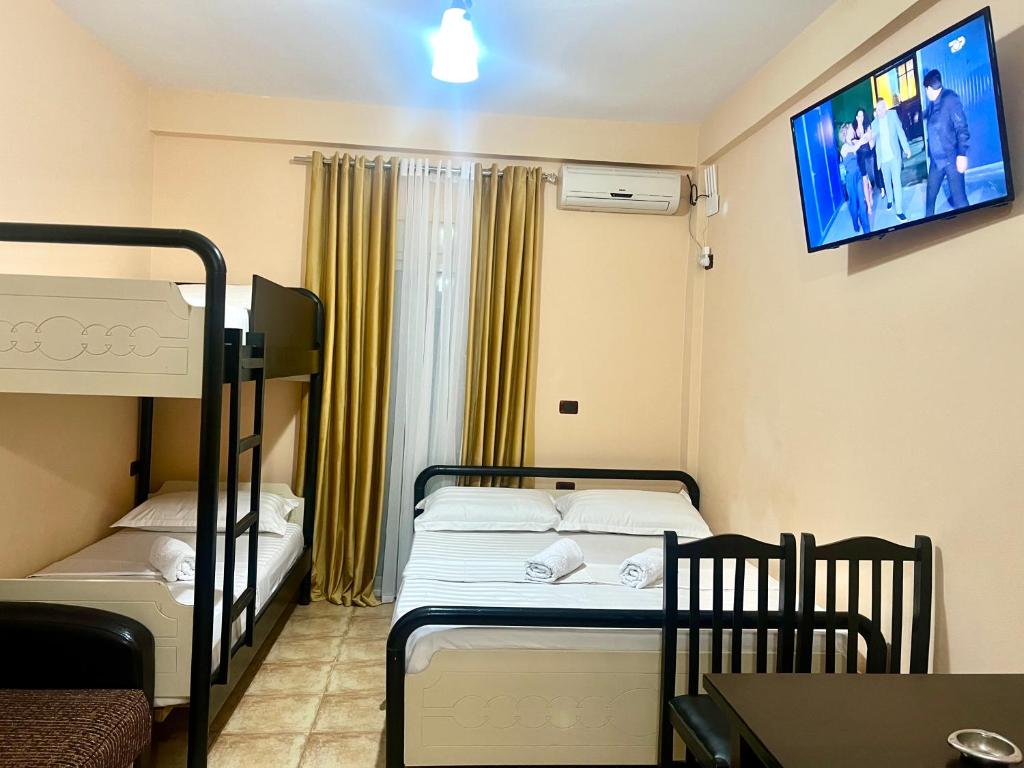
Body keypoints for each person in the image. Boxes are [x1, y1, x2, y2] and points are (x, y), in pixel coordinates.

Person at [923, 68, 970, 216]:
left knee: (960, 200)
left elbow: (962, 127)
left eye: (926, 89)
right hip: (936, 163)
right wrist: (921, 115)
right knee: (930, 198)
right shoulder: (933, 102)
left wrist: (962, 154)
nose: (926, 92)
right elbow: (932, 116)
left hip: (951, 160)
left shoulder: (950, 99)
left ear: (930, 89)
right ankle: (926, 227)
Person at [870, 97, 912, 220]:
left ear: (886, 107)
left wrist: (906, 148)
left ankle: (899, 211)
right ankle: (889, 199)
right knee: (887, 182)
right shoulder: (874, 124)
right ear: (876, 111)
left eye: (883, 107)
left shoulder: (893, 115)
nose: (881, 111)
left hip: (894, 157)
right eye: (878, 109)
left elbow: (900, 132)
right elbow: (872, 144)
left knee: (897, 182)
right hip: (883, 160)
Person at [839, 123, 871, 234]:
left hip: (857, 175)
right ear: (846, 132)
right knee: (853, 203)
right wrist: (860, 141)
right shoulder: (844, 147)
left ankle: (867, 229)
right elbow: (853, 148)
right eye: (851, 129)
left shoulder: (853, 141)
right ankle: (855, 224)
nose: (853, 130)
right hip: (850, 178)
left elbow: (863, 141)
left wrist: (865, 135)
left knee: (862, 202)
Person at [854, 108, 876, 215]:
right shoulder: (854, 128)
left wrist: (860, 141)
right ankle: (868, 206)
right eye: (858, 116)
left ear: (864, 117)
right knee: (864, 182)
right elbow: (853, 141)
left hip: (868, 156)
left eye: (862, 116)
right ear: (856, 117)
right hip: (860, 158)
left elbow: (868, 138)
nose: (860, 118)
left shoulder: (868, 126)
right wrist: (861, 140)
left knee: (870, 180)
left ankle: (871, 191)